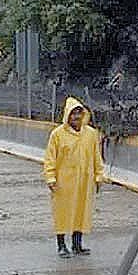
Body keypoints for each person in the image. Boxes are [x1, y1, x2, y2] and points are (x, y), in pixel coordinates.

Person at [43, 96, 104, 258]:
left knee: (81, 212)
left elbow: (96, 156)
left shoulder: (91, 134)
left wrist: (99, 176)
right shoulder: (57, 135)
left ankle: (77, 244)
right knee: (62, 212)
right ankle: (61, 244)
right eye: (73, 114)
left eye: (79, 113)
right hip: (64, 182)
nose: (76, 117)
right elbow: (50, 158)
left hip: (85, 180)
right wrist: (50, 178)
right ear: (67, 115)